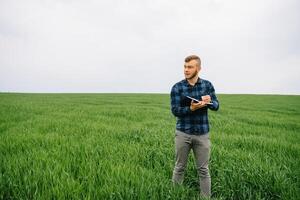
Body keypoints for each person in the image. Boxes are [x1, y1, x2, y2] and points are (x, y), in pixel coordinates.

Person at [170, 55, 219, 198]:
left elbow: (216, 105)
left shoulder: (207, 85)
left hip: (203, 134)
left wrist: (209, 102)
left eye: (190, 67)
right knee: (179, 167)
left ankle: (205, 197)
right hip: (183, 133)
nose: (186, 70)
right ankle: (175, 196)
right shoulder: (177, 87)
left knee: (203, 170)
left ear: (198, 68)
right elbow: (175, 111)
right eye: (185, 67)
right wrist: (191, 109)